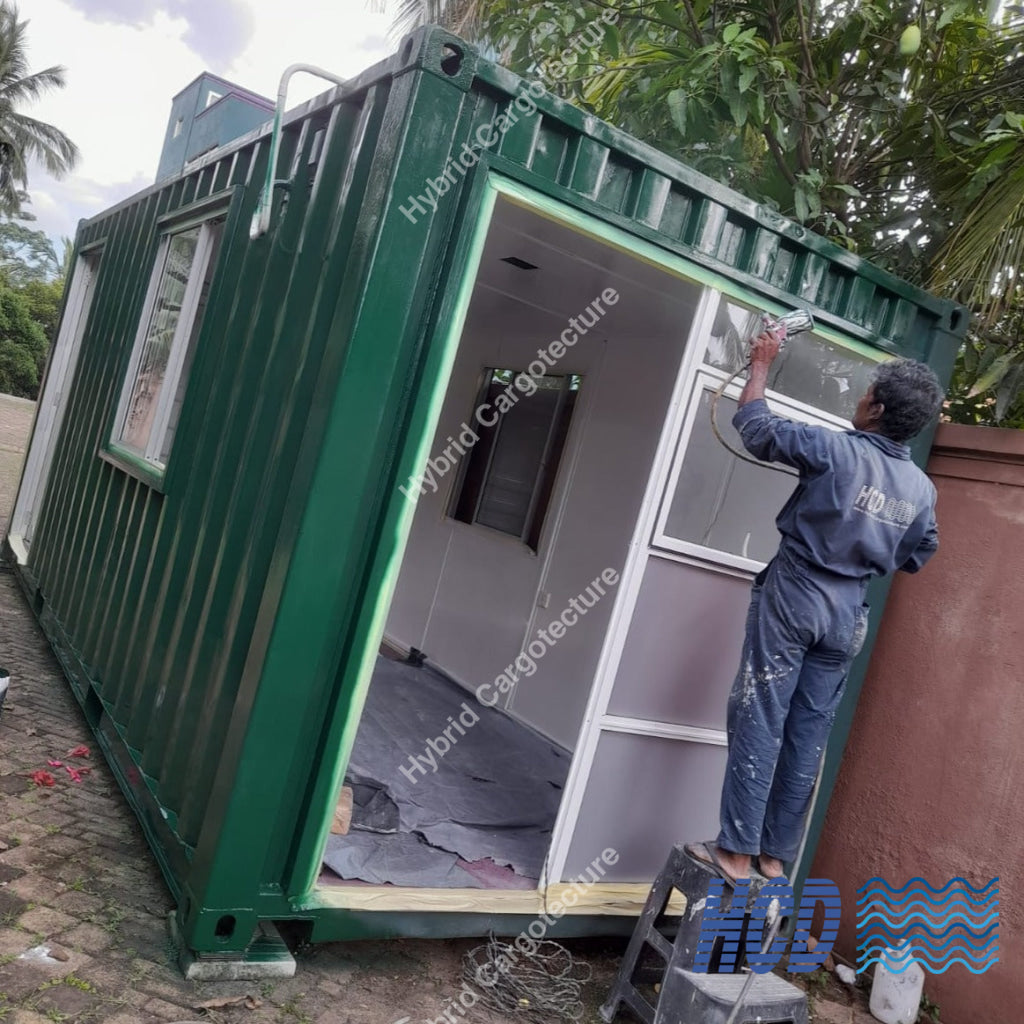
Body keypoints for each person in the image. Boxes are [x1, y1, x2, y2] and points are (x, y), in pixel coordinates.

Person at [687, 329, 944, 885]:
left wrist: (760, 365)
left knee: (760, 714)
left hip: (797, 596)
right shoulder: (921, 490)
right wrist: (868, 540)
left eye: (865, 393)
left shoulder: (836, 450)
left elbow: (754, 427)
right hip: (848, 614)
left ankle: (733, 853)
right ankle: (774, 858)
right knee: (808, 732)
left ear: (875, 409)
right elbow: (920, 553)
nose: (858, 399)